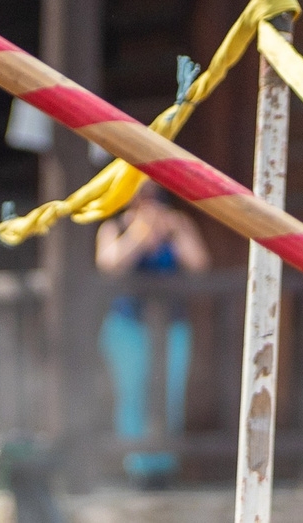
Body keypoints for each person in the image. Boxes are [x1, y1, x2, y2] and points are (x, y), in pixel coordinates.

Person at [95, 182, 209, 487]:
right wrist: (139, 235)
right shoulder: (114, 227)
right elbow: (109, 264)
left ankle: (164, 467)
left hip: (172, 325)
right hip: (128, 325)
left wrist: (173, 231)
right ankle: (138, 467)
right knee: (132, 394)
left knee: (171, 394)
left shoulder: (177, 224)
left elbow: (198, 263)